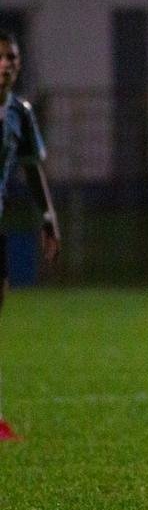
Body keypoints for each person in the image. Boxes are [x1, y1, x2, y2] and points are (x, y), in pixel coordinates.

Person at [0, 30, 60, 441]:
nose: (6, 64)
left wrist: (48, 215)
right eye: (0, 57)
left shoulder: (20, 112)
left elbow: (31, 167)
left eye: (12, 57)